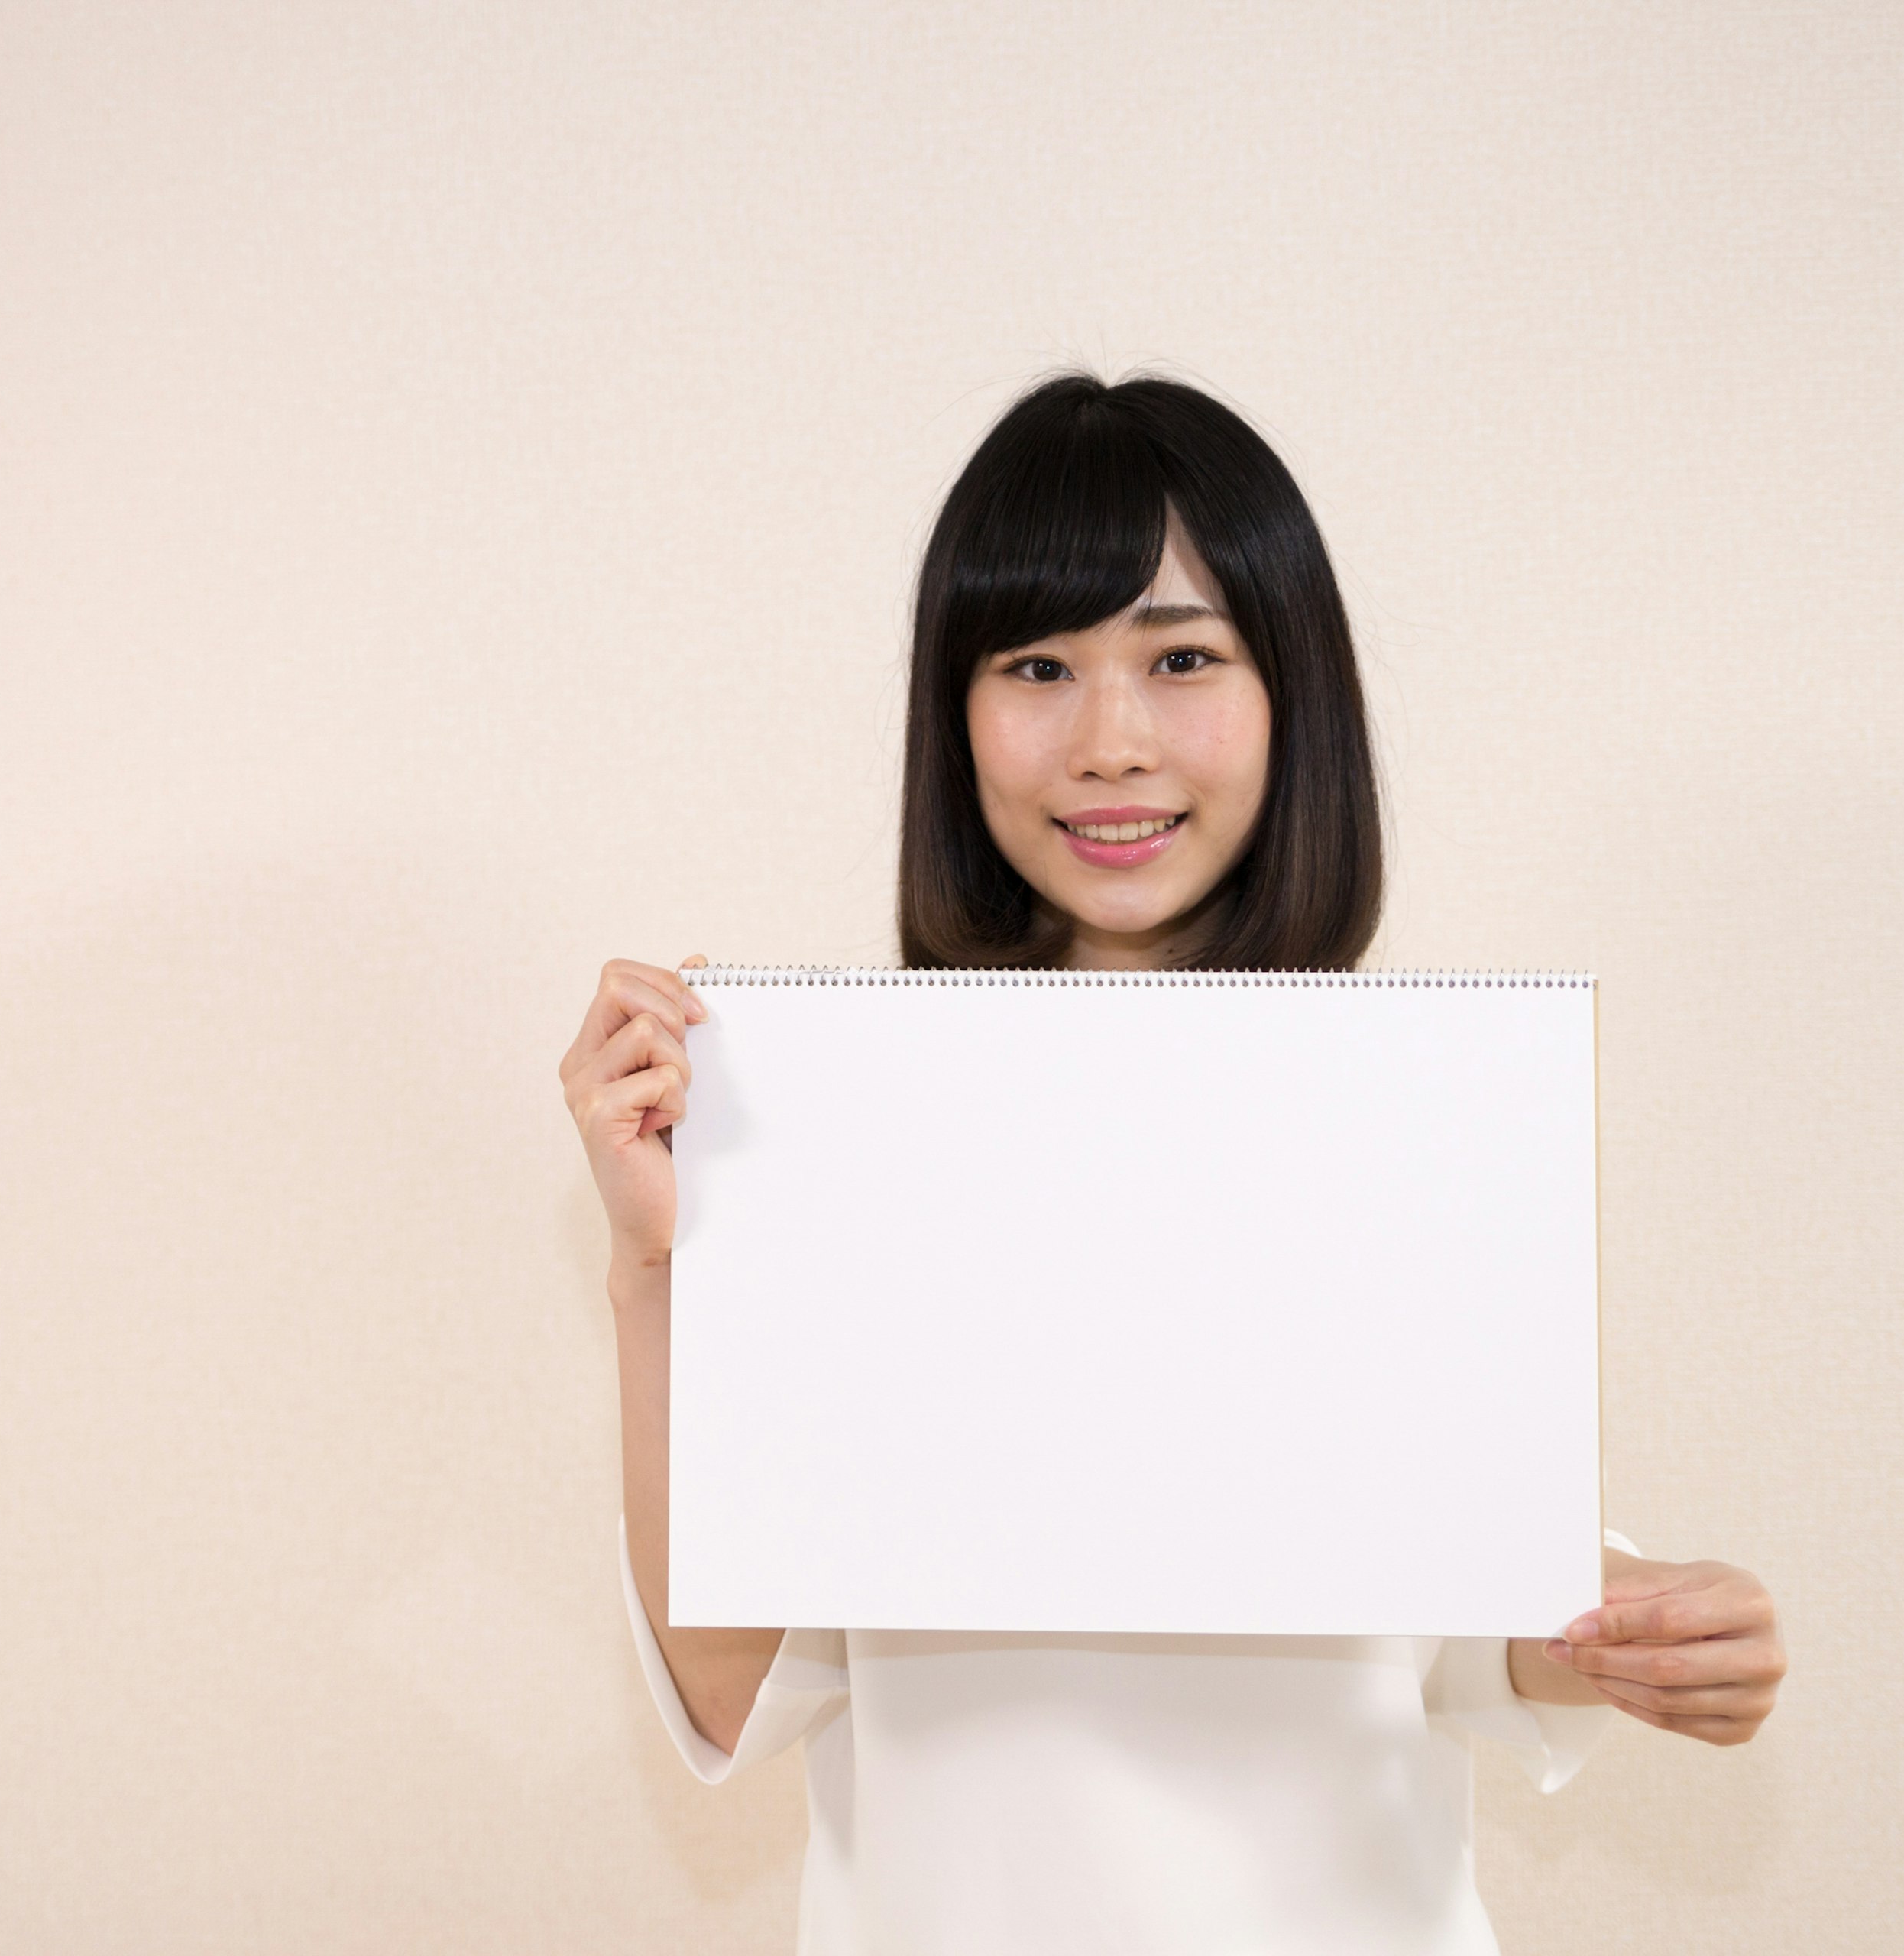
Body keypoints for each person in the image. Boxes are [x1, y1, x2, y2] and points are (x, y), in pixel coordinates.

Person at [556, 371, 1786, 1954]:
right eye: (1038, 663)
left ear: (1294, 696)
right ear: (957, 711)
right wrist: (663, 1260)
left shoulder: (1421, 1116)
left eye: (1185, 655)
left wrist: (1665, 1635)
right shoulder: (842, 1129)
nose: (1111, 739)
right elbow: (732, 1687)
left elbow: (1499, 1624)